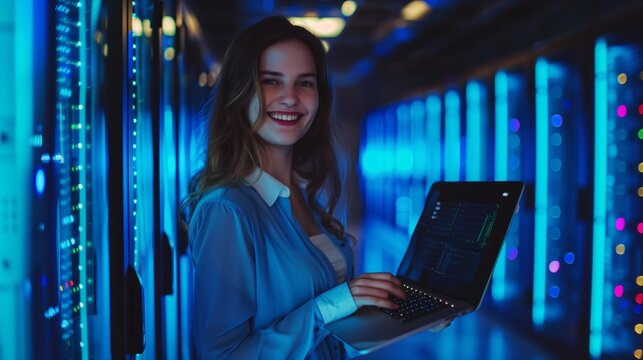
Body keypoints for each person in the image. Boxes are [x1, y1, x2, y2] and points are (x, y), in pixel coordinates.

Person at [182, 16, 409, 359]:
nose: (290, 98)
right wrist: (329, 306)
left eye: (305, 83)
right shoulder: (227, 209)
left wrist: (401, 315)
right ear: (241, 94)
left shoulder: (303, 194)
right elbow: (224, 355)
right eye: (271, 81)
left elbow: (327, 330)